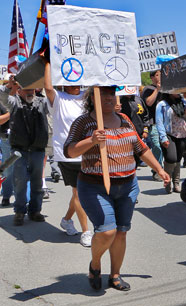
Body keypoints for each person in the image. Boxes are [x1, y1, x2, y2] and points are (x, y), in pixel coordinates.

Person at [64, 86, 169, 291]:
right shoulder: (84, 122)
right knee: (107, 231)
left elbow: (140, 147)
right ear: (93, 98)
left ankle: (115, 274)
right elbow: (69, 151)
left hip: (128, 186)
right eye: (103, 95)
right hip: (95, 186)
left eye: (111, 94)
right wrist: (91, 140)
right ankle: (95, 265)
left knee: (121, 232)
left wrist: (159, 168)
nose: (109, 98)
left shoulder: (124, 119)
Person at [43, 54, 92, 247]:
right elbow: (48, 88)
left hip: (88, 152)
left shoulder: (88, 98)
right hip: (67, 154)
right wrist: (47, 61)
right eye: (71, 81)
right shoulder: (59, 98)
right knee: (80, 193)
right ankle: (86, 231)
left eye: (79, 81)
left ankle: (66, 220)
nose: (76, 84)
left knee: (79, 193)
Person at [0, 76, 50, 225]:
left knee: (37, 183)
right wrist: (10, 84)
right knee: (20, 182)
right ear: (19, 90)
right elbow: (2, 96)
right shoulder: (14, 102)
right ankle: (20, 212)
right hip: (19, 150)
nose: (30, 92)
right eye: (26, 89)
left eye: (32, 89)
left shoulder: (42, 102)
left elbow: (54, 101)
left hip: (37, 149)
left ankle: (35, 211)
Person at [155, 93, 186, 193]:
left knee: (178, 159)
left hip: (183, 134)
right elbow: (159, 121)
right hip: (169, 134)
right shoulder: (162, 104)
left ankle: (176, 183)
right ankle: (168, 179)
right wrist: (163, 137)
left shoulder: (183, 102)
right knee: (171, 158)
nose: (178, 92)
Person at [141, 68, 165, 180]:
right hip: (153, 122)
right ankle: (157, 170)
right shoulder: (148, 89)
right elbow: (148, 102)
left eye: (160, 74)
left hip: (165, 123)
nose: (159, 76)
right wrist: (157, 90)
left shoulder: (166, 88)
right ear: (152, 77)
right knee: (157, 146)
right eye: (156, 74)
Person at [0, 77, 18, 207]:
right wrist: (12, 113)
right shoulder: (3, 100)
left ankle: (23, 200)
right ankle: (6, 195)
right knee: (7, 169)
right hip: (6, 137)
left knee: (25, 168)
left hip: (24, 138)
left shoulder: (27, 96)